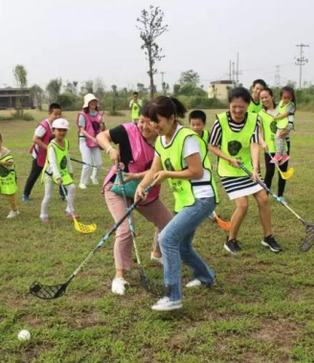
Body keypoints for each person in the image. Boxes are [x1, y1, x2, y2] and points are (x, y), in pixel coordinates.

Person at [136, 96, 218, 312]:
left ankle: (173, 296)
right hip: (185, 200)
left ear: (172, 118)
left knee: (167, 238)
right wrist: (141, 187)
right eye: (152, 121)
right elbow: (154, 170)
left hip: (202, 198)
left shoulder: (187, 138)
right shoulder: (162, 141)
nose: (154, 126)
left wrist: (167, 174)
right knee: (181, 245)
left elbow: (196, 171)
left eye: (158, 121)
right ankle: (206, 277)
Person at [97, 104, 173, 296]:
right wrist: (109, 150)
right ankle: (119, 276)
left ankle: (157, 253)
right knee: (125, 230)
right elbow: (101, 136)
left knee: (168, 224)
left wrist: (138, 177)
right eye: (141, 121)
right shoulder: (128, 131)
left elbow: (158, 170)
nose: (144, 126)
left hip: (145, 190)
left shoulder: (165, 141)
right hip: (118, 188)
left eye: (149, 122)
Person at [208, 87, 282, 254]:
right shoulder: (220, 121)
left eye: (242, 106)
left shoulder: (254, 119)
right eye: (234, 106)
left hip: (248, 167)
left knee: (263, 199)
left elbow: (255, 143)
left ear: (248, 105)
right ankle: (231, 240)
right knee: (242, 205)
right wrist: (229, 159)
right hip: (229, 170)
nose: (238, 110)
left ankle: (268, 237)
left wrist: (256, 168)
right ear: (229, 105)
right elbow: (212, 146)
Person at [23, 103, 64, 202]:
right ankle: (25, 194)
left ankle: (63, 194)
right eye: (55, 114)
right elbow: (35, 139)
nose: (57, 117)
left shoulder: (59, 126)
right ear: (49, 114)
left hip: (53, 155)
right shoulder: (44, 126)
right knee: (34, 174)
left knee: (60, 172)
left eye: (59, 115)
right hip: (39, 155)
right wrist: (49, 148)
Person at [40, 118, 76, 223]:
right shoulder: (52, 146)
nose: (62, 132)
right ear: (53, 131)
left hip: (62, 172)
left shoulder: (66, 143)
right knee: (48, 196)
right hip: (50, 174)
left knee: (72, 187)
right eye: (59, 130)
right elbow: (53, 162)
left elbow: (67, 158)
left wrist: (71, 171)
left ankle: (70, 210)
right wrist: (57, 176)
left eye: (64, 130)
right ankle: (43, 215)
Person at [258, 88, 291, 203]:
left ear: (272, 96)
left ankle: (280, 195)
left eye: (266, 97)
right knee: (270, 172)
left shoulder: (281, 109)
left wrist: (287, 131)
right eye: (262, 98)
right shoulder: (260, 114)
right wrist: (262, 141)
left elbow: (289, 124)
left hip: (282, 146)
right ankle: (265, 195)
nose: (264, 100)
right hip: (269, 147)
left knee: (283, 171)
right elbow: (260, 131)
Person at [77, 93, 105, 189]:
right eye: (91, 101)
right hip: (84, 140)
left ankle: (94, 176)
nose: (94, 103)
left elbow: (103, 129)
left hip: (95, 141)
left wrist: (102, 123)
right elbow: (82, 130)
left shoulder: (100, 114)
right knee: (87, 163)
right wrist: (91, 138)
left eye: (95, 101)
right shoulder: (82, 115)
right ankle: (82, 182)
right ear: (87, 103)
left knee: (99, 163)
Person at [271, 87, 296, 165]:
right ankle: (284, 155)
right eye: (284, 98)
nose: (286, 100)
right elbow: (277, 109)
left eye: (289, 98)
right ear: (281, 96)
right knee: (278, 139)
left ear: (292, 97)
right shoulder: (281, 103)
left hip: (285, 125)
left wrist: (276, 118)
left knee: (278, 138)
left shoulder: (291, 105)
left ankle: (278, 154)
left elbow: (285, 114)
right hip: (281, 124)